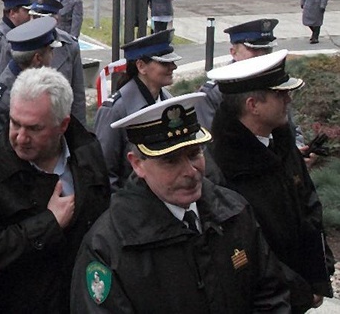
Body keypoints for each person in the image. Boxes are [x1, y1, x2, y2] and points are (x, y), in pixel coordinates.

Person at [70, 93, 291, 313]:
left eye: (194, 154)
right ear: (137, 164)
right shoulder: (108, 247)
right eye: (171, 161)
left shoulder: (233, 211)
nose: (190, 172)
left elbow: (270, 293)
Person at [0, 67, 110, 313]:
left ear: (63, 124)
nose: (20, 137)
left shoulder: (87, 151)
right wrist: (48, 224)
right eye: (15, 123)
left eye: (34, 128)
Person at [207, 50, 334, 312]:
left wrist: (319, 274)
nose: (288, 98)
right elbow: (248, 251)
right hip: (265, 302)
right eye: (279, 94)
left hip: (298, 294)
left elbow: (309, 205)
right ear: (253, 105)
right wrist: (299, 291)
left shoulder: (281, 143)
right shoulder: (220, 169)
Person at [94, 29, 180, 191]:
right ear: (141, 66)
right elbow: (104, 172)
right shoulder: (115, 110)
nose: (173, 67)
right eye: (164, 63)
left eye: (172, 62)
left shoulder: (169, 102)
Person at [195, 18, 278, 131]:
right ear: (234, 53)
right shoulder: (214, 93)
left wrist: (297, 146)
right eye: (254, 49)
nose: (262, 55)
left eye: (266, 49)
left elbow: (290, 127)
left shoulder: (275, 83)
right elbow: (210, 142)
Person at [0, 16, 62, 130]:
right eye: (50, 51)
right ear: (38, 59)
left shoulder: (34, 81)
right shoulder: (4, 99)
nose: (53, 56)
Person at [29, 0, 87, 125]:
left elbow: (77, 94)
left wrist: (80, 133)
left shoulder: (70, 46)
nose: (37, 22)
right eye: (35, 17)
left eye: (42, 19)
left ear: (56, 20)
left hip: (60, 123)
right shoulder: (20, 45)